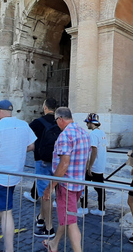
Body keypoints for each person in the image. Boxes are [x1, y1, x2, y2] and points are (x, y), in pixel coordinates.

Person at [0, 100, 37, 252]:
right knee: (1, 206)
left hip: (0, 175)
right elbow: (32, 145)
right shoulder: (24, 124)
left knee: (6, 212)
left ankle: (9, 249)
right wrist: (17, 152)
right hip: (15, 173)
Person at [42, 107, 91, 252]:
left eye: (56, 121)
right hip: (79, 183)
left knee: (72, 222)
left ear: (60, 119)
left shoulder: (65, 136)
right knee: (68, 216)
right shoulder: (84, 133)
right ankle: (54, 243)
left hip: (67, 185)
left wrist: (50, 187)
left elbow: (64, 164)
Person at [25, 98, 60, 238]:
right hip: (57, 161)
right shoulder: (60, 122)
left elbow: (27, 139)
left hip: (42, 160)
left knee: (45, 195)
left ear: (45, 107)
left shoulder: (37, 123)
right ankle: (40, 218)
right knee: (46, 192)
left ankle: (49, 228)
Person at [78, 113, 108, 216]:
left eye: (87, 123)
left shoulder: (93, 134)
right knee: (100, 188)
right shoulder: (102, 133)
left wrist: (89, 166)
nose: (86, 125)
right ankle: (101, 208)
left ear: (91, 123)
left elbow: (94, 150)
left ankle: (83, 208)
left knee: (83, 186)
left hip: (94, 166)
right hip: (100, 165)